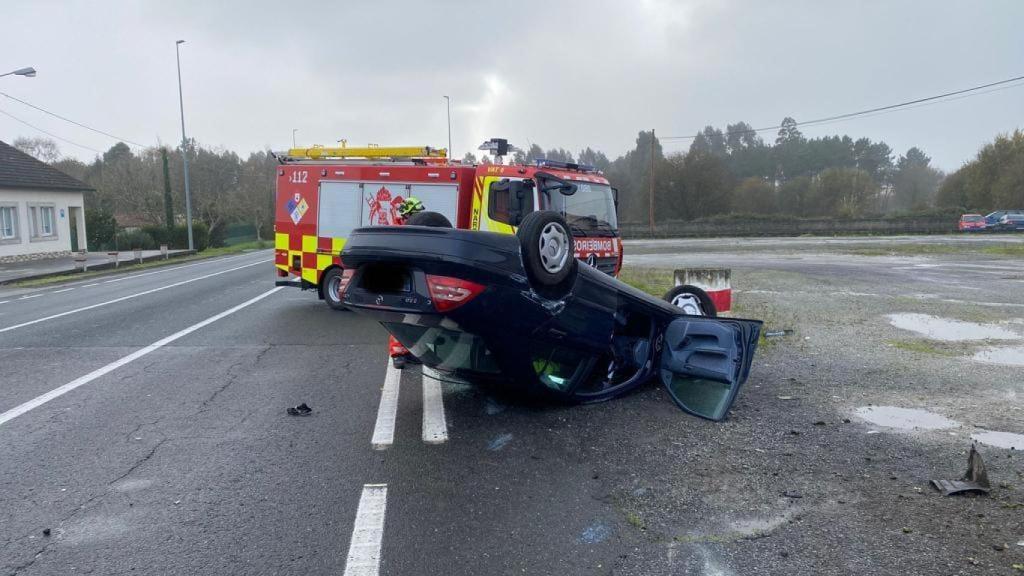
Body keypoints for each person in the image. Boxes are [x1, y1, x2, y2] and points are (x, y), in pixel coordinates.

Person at [389, 197, 424, 368]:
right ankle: (397, 354)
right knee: (398, 317)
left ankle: (409, 351)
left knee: (412, 317)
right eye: (417, 214)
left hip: (412, 278)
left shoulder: (414, 229)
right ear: (408, 214)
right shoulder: (397, 231)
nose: (420, 217)